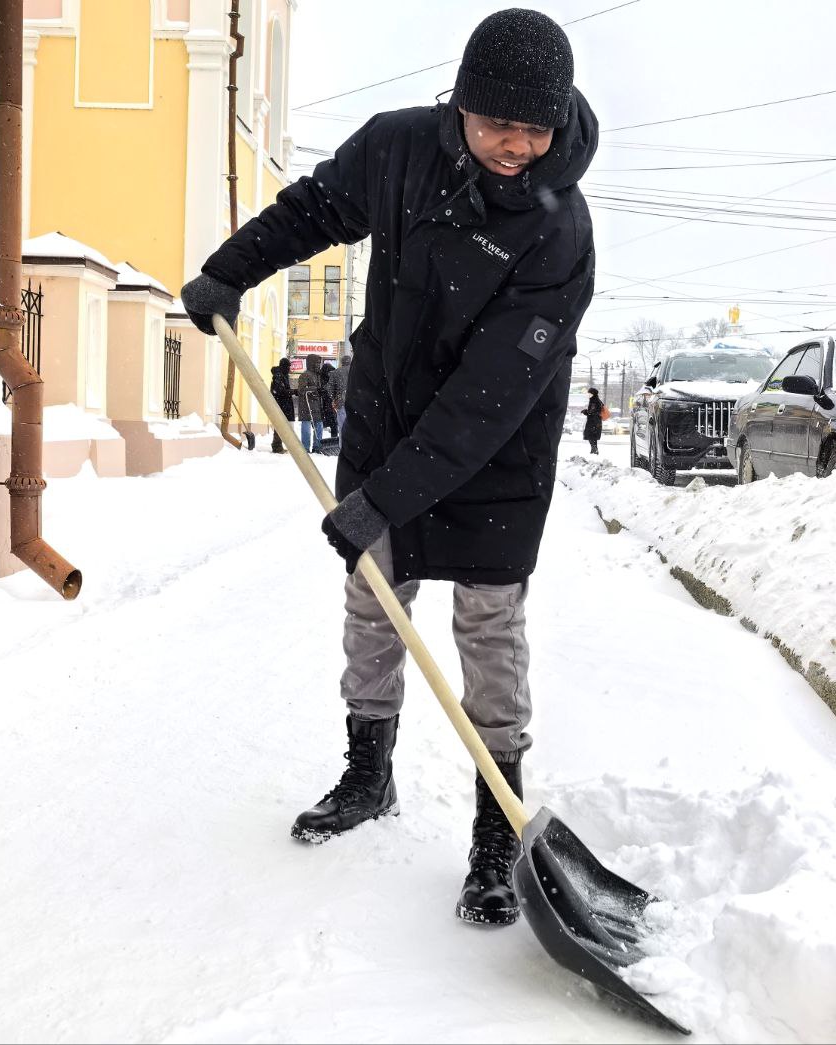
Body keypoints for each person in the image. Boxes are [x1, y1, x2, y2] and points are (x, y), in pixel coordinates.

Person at [179, 8, 596, 927]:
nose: (517, 146)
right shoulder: (399, 149)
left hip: (498, 448)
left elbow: (491, 391)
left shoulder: (560, 231)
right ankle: (368, 772)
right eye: (499, 124)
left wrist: (389, 496)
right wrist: (229, 271)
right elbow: (313, 209)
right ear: (462, 106)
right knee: (374, 598)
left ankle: (496, 824)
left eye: (536, 129)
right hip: (389, 414)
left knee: (489, 625)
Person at [294, 354, 324, 453]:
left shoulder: (318, 375)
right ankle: (305, 448)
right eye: (317, 363)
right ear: (311, 363)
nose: (318, 365)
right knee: (306, 428)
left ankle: (317, 447)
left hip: (317, 405)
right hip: (306, 406)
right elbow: (301, 390)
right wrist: (314, 389)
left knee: (319, 426)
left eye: (319, 363)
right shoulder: (304, 375)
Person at [269, 357, 295, 454]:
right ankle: (277, 446)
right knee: (280, 425)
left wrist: (292, 392)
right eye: (287, 367)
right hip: (280, 404)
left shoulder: (283, 375)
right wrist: (293, 391)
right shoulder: (278, 376)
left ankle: (277, 445)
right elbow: (280, 391)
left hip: (284, 404)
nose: (289, 369)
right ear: (283, 366)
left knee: (282, 425)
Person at [332, 353, 352, 436]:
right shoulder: (356, 371)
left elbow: (330, 388)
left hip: (341, 402)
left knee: (342, 426)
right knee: (354, 427)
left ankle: (342, 443)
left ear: (342, 362)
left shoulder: (336, 372)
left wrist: (334, 398)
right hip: (354, 403)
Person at [320, 360, 338, 446]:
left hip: (330, 404)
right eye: (329, 372)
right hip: (323, 405)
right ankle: (319, 444)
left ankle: (334, 441)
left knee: (333, 423)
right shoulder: (321, 379)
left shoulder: (331, 379)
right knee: (320, 424)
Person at [582, 386, 603, 454]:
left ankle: (594, 449)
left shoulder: (594, 401)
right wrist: (587, 412)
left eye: (590, 394)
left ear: (593, 394)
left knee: (591, 435)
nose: (588, 395)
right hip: (596, 421)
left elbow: (592, 411)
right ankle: (594, 449)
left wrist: (585, 412)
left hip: (593, 421)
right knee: (593, 436)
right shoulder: (596, 400)